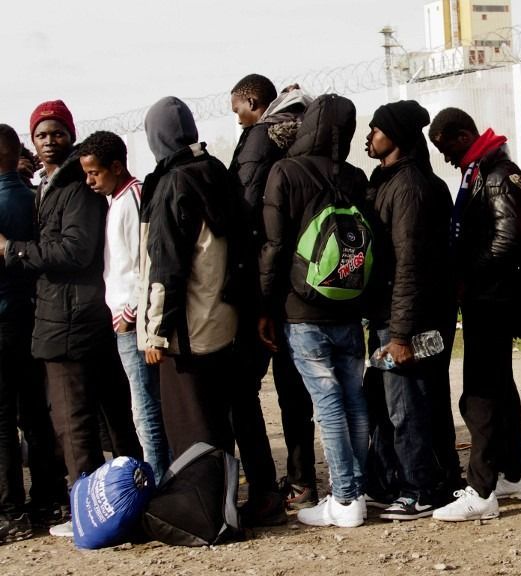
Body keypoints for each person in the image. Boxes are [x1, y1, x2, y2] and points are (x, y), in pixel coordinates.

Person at [0, 100, 142, 538]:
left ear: (70, 133)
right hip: (67, 313)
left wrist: (15, 250)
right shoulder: (50, 185)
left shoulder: (77, 187)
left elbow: (77, 251)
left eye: (56, 132)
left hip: (71, 316)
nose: (48, 142)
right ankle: (126, 499)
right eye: (41, 134)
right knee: (102, 414)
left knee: (74, 419)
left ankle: (89, 513)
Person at [259, 93, 370, 528]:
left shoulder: (284, 172)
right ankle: (358, 491)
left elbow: (274, 247)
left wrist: (265, 306)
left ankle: (344, 499)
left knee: (326, 403)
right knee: (354, 400)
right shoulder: (356, 176)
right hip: (347, 305)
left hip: (301, 309)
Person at [138, 97, 252, 517]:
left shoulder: (172, 183)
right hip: (223, 318)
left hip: (185, 329)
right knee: (219, 422)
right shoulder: (214, 171)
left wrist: (155, 331)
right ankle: (227, 504)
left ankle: (206, 512)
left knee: (190, 424)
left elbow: (166, 267)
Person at [426, 107, 521, 521]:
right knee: (499, 389)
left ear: (465, 134)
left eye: (447, 146)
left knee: (481, 394)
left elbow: (507, 242)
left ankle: (482, 490)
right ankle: (515, 473)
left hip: (492, 298)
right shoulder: (479, 172)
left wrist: (465, 274)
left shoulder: (495, 176)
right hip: (485, 296)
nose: (446, 157)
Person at [363, 100, 458, 520]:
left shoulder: (410, 188)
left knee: (409, 407)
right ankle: (403, 482)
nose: (368, 137)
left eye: (376, 130)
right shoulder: (388, 181)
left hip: (408, 320)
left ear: (396, 137)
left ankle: (422, 489)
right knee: (391, 406)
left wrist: (400, 334)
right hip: (390, 315)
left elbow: (409, 265)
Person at [229, 73, 317, 513]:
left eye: (238, 110)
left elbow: (246, 211)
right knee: (295, 389)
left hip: (263, 279)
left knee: (243, 391)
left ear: (251, 101)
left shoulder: (258, 141)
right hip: (302, 279)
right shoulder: (307, 135)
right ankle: (302, 480)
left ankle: (264, 486)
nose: (238, 119)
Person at [78, 130, 172, 484]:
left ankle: (160, 481)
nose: (89, 181)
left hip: (133, 323)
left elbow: (144, 264)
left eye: (94, 173)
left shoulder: (133, 198)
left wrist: (130, 314)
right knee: (142, 407)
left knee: (146, 408)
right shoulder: (116, 199)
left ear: (116, 167)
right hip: (124, 319)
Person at [0, 124, 65, 542]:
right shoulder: (34, 196)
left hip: (3, 317)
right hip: (34, 316)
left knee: (4, 419)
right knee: (35, 413)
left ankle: (10, 511)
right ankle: (47, 497)